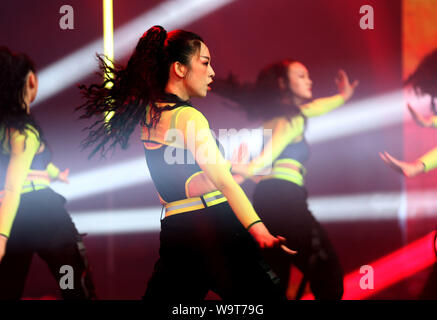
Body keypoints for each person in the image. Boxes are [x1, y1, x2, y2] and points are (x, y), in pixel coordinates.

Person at [77, 25, 294, 300]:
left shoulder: (150, 116)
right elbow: (222, 184)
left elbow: (177, 188)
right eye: (205, 62)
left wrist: (228, 170)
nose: (212, 72)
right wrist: (261, 232)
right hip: (216, 228)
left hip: (179, 233)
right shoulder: (188, 117)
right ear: (179, 68)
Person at [214, 59, 358, 299]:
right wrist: (238, 169)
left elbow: (317, 107)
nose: (309, 80)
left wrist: (343, 97)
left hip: (267, 200)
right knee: (328, 276)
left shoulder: (278, 118)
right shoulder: (291, 120)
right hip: (286, 201)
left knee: (274, 282)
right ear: (283, 83)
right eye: (301, 76)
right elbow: (262, 160)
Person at [0, 47, 96, 299]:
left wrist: (56, 174)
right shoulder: (23, 134)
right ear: (31, 80)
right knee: (74, 285)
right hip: (38, 212)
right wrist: (1, 236)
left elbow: (37, 165)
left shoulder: (13, 131)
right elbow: (12, 188)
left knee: (9, 287)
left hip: (16, 216)